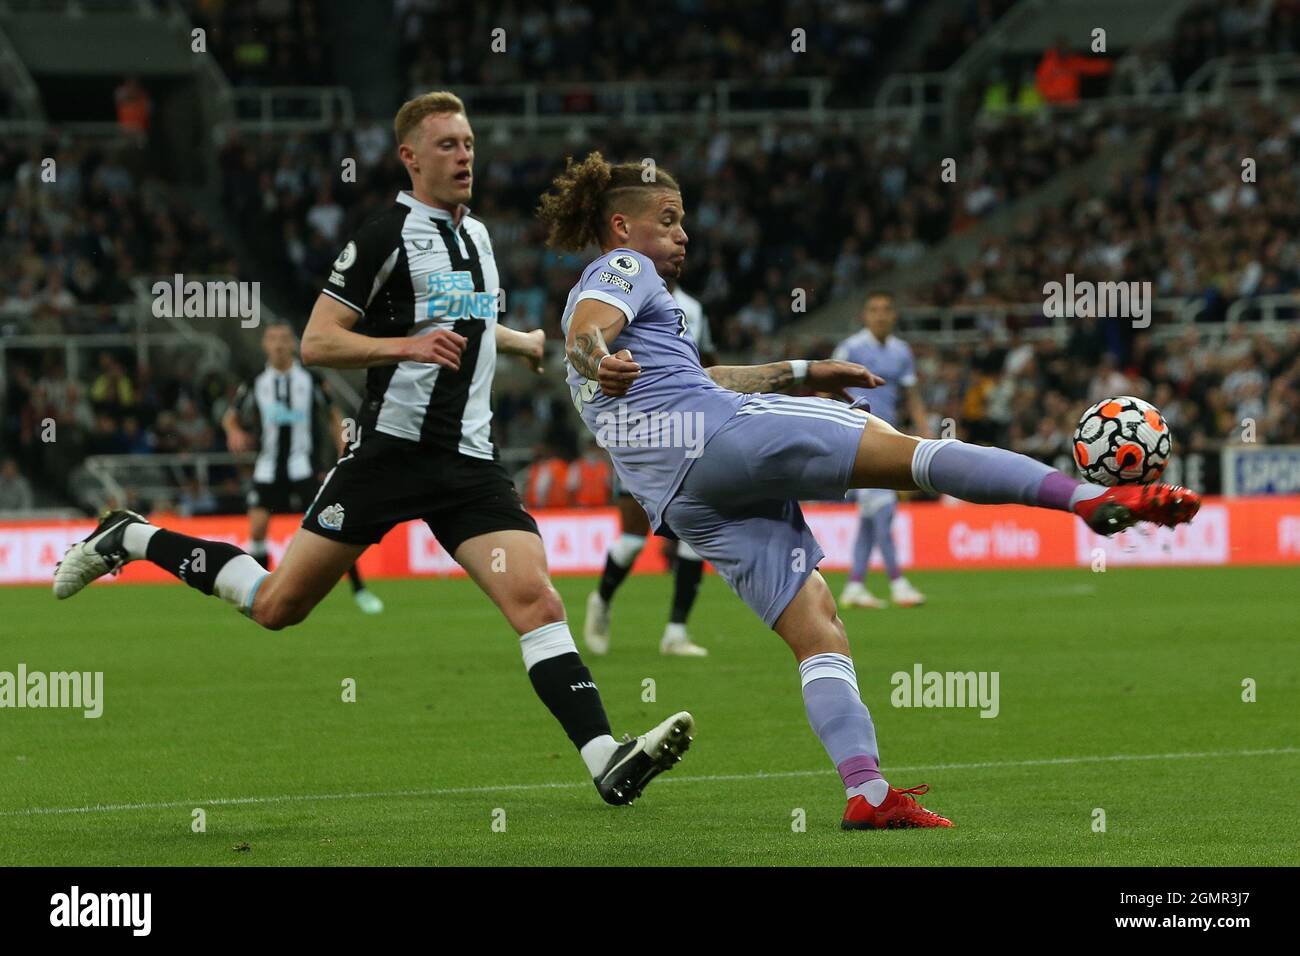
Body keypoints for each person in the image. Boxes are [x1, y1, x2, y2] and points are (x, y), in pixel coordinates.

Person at [54, 92, 693, 808]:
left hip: (469, 467)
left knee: (538, 602)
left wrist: (515, 341)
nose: (464, 157)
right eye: (447, 145)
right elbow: (318, 341)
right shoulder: (383, 235)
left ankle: (605, 756)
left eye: (470, 144)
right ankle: (132, 534)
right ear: (411, 157)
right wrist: (403, 345)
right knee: (276, 605)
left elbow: (467, 319)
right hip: (388, 456)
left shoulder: (476, 237)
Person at [539, 152, 1199, 829]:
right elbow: (585, 332)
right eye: (668, 220)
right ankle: (1084, 498)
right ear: (622, 226)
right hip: (716, 440)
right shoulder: (623, 268)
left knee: (818, 627)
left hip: (682, 497)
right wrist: (600, 356)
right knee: (918, 457)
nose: (683, 235)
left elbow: (703, 377)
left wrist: (801, 369)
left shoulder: (649, 310)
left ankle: (868, 792)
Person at [584, 278, 716, 657]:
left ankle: (676, 631)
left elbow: (704, 361)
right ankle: (603, 600)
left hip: (686, 428)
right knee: (631, 542)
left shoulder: (693, 307)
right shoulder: (624, 300)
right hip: (636, 430)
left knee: (694, 534)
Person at [223, 321, 383, 614]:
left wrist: (343, 448)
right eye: (273, 339)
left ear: (293, 343)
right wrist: (233, 431)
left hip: (304, 467)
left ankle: (359, 590)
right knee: (257, 529)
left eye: (284, 338)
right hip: (268, 467)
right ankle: (260, 592)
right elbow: (230, 416)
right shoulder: (256, 380)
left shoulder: (309, 379)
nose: (279, 344)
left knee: (332, 525)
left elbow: (334, 416)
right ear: (265, 345)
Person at [833, 291, 928, 609]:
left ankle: (855, 585)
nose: (881, 315)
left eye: (886, 310)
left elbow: (911, 396)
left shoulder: (902, 352)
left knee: (871, 517)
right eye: (874, 310)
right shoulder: (851, 348)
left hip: (888, 437)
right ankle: (898, 583)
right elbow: (827, 389)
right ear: (865, 315)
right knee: (884, 509)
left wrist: (924, 432)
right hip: (857, 439)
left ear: (894, 316)